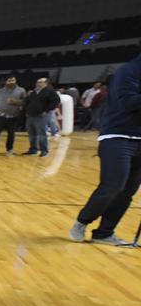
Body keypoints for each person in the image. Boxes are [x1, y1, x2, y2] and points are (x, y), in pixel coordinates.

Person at [70, 52, 141, 246]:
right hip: (118, 136)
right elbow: (128, 102)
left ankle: (104, 233)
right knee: (113, 185)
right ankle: (82, 221)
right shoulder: (129, 71)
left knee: (128, 191)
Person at [0, 76, 26, 155]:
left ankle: (9, 149)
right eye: (9, 80)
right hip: (1, 116)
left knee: (11, 134)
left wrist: (16, 102)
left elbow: (25, 101)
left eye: (13, 80)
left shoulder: (21, 90)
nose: (11, 82)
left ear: (16, 81)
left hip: (13, 116)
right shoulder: (0, 91)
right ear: (6, 82)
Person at [23, 77, 60, 157]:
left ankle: (44, 150)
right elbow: (27, 101)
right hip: (30, 115)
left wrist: (46, 110)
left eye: (40, 82)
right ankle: (33, 149)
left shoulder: (50, 91)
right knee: (31, 133)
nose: (38, 83)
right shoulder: (34, 92)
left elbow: (56, 101)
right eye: (37, 82)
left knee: (41, 133)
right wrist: (26, 110)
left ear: (45, 83)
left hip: (41, 115)